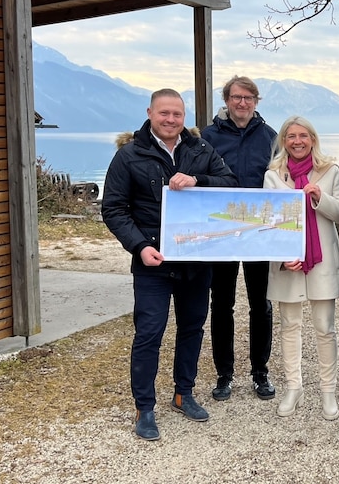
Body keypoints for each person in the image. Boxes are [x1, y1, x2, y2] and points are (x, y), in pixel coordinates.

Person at [102, 88, 238, 441]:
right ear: (150, 113)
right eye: (164, 113)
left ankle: (184, 393)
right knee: (149, 334)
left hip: (196, 259)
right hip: (153, 261)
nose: (171, 120)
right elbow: (114, 209)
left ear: (184, 116)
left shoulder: (201, 150)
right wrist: (139, 247)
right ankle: (144, 407)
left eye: (177, 114)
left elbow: (230, 184)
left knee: (192, 328)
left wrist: (197, 180)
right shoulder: (129, 155)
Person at [263, 116, 339, 420]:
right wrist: (283, 255)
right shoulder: (273, 174)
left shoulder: (330, 171)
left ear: (313, 139)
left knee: (325, 328)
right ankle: (292, 388)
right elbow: (268, 222)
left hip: (322, 260)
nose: (297, 141)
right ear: (283, 140)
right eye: (290, 136)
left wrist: (319, 197)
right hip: (288, 263)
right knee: (289, 327)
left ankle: (328, 391)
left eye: (303, 136)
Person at [201, 76, 278, 402]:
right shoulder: (208, 136)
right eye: (236, 98)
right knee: (221, 303)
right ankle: (224, 374)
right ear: (227, 100)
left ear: (256, 101)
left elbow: (282, 178)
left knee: (261, 304)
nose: (242, 103)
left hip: (260, 231)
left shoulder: (271, 136)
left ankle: (260, 371)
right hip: (222, 232)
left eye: (248, 98)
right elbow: (198, 175)